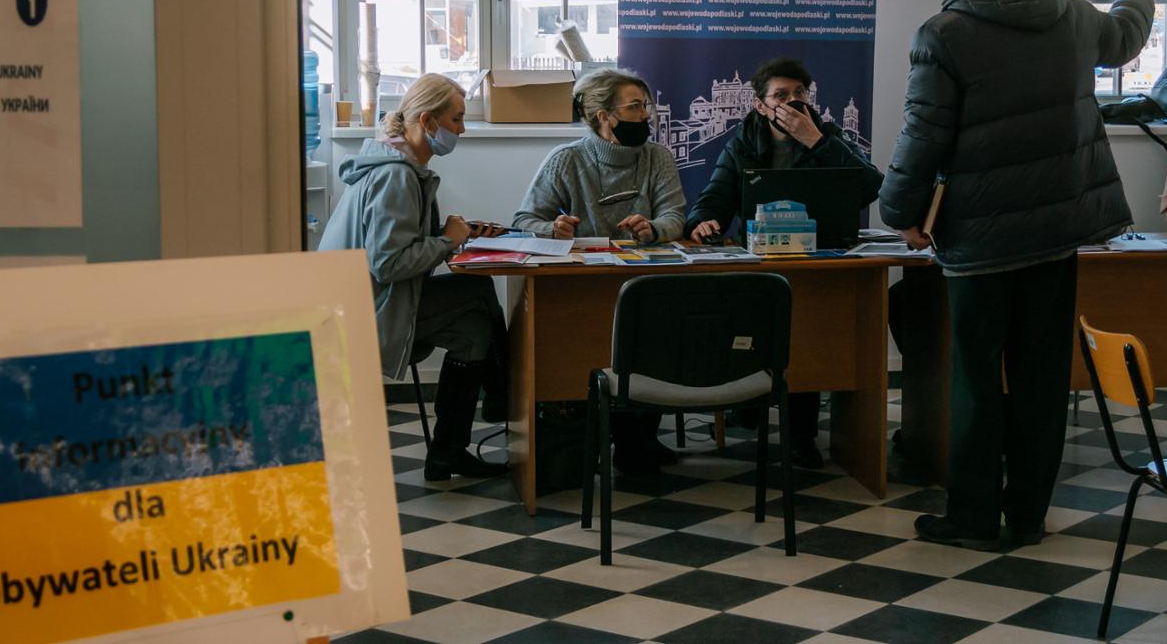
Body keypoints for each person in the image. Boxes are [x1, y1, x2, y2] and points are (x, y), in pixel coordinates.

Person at [880, 0, 1158, 550]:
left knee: (976, 379)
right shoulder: (1075, 18)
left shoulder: (943, 34)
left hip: (979, 241)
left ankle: (972, 518)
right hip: (1057, 233)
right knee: (1041, 377)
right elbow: (1126, 37)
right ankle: (1029, 515)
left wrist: (900, 211)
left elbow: (923, 133)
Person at [685, 57, 885, 469]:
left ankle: (801, 436)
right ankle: (748, 401)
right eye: (781, 95)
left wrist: (816, 142)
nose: (793, 101)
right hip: (761, 263)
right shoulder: (743, 141)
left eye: (800, 93)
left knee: (808, 327)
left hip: (818, 263)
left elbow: (870, 187)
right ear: (760, 105)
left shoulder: (827, 134)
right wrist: (702, 221)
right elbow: (715, 197)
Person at [319, 73, 510, 481]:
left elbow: (397, 246)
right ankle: (503, 395)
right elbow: (388, 264)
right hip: (364, 313)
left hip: (360, 303)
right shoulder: (397, 176)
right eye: (456, 119)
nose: (462, 129)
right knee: (478, 289)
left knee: (474, 330)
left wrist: (450, 236)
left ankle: (448, 453)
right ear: (427, 121)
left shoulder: (398, 165)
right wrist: (447, 241)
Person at [514, 67, 687, 474]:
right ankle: (599, 439)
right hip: (585, 286)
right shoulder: (567, 159)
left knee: (657, 331)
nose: (645, 115)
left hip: (644, 283)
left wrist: (653, 228)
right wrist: (553, 228)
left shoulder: (657, 157)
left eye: (645, 106)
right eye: (634, 107)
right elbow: (524, 220)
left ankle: (638, 439)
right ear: (604, 116)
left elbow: (675, 215)